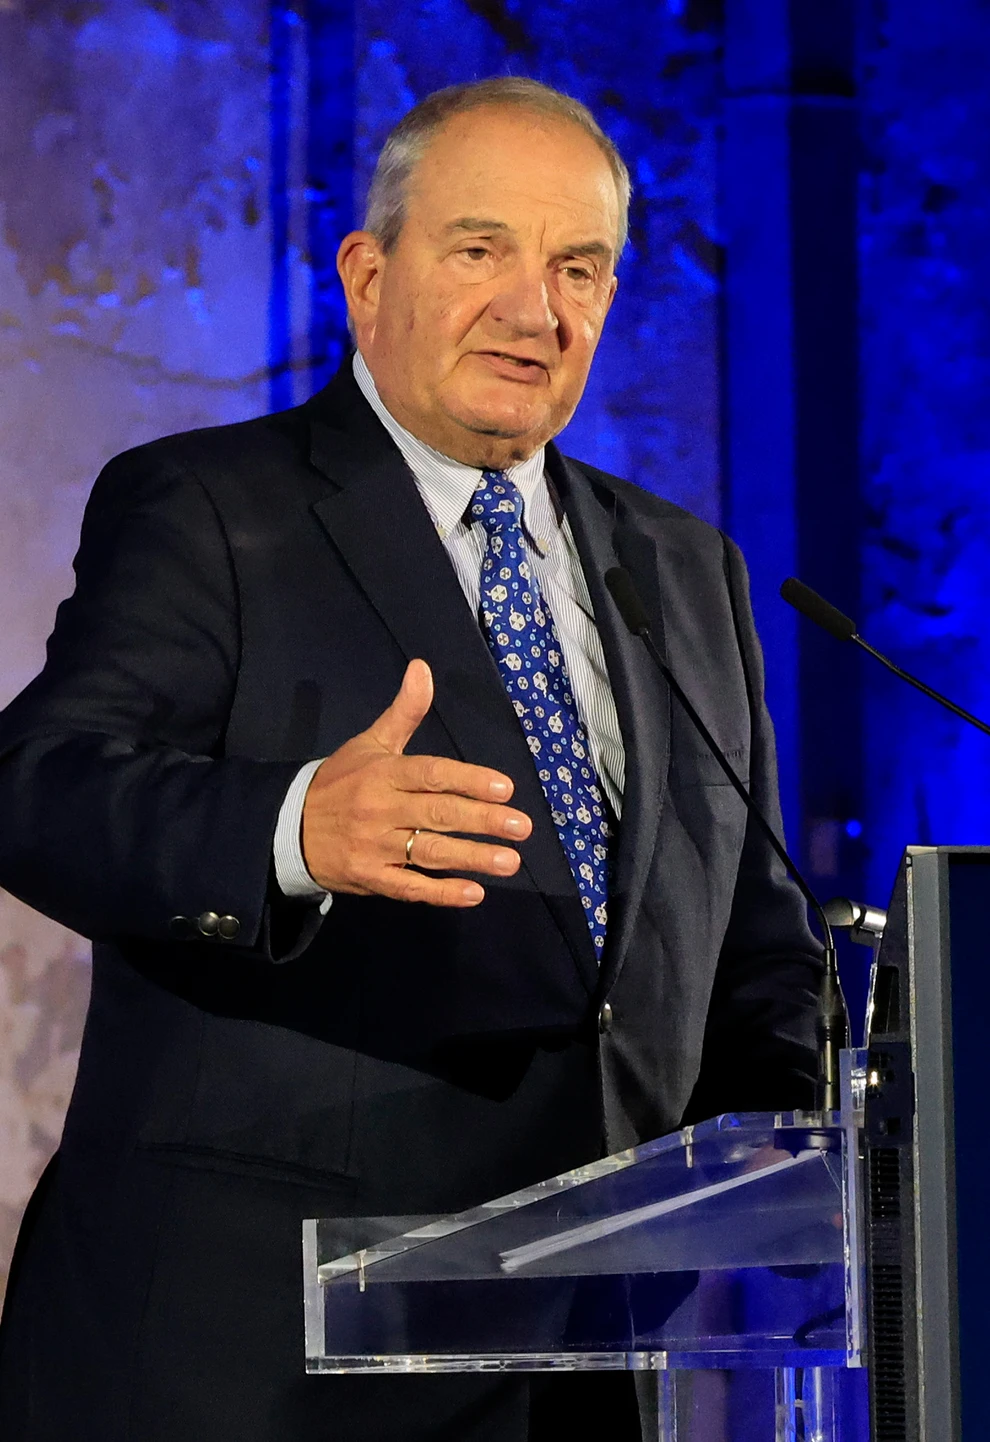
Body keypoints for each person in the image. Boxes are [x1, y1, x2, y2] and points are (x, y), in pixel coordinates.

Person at [0, 77, 821, 1441]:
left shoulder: (685, 570)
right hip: (252, 1362)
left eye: (578, 268)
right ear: (368, 276)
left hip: (583, 1365)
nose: (534, 309)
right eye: (480, 249)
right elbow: (39, 789)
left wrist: (777, 1167)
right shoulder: (210, 507)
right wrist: (290, 830)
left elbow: (754, 937)